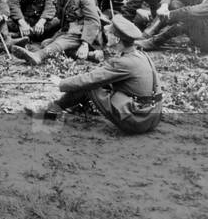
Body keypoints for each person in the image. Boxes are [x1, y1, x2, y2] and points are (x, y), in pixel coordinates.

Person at [25, 15, 163, 134]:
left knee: (90, 84)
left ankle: (51, 110)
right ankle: (74, 105)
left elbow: (91, 79)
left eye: (109, 33)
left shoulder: (124, 62)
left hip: (137, 120)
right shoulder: (140, 54)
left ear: (116, 39)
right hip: (152, 116)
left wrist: (62, 83)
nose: (105, 34)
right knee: (97, 81)